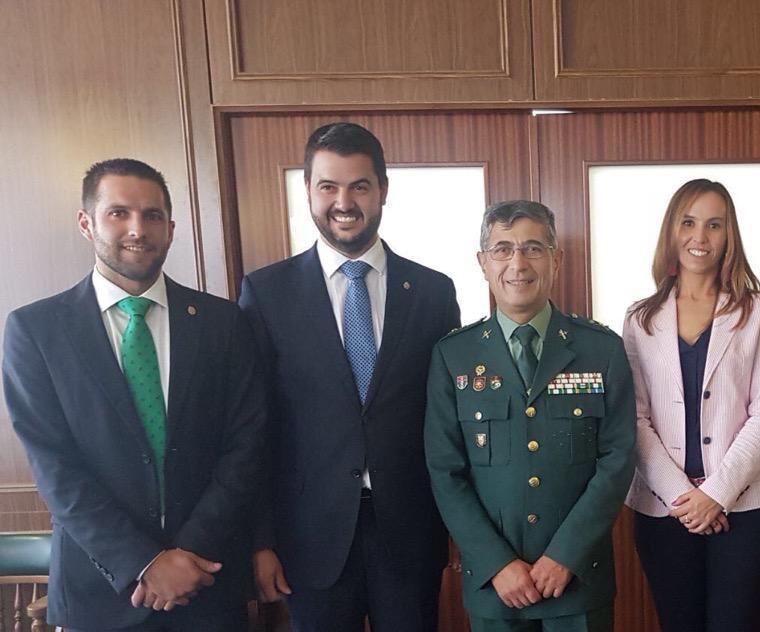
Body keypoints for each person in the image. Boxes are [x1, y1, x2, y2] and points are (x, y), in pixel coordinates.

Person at [2, 158, 265, 631]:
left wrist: (189, 554)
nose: (137, 229)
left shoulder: (223, 323)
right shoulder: (36, 330)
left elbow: (245, 446)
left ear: (171, 227)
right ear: (87, 223)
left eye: (153, 215)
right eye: (118, 213)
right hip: (100, 590)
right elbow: (54, 466)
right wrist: (145, 563)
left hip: (205, 580)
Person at [238, 122, 460, 631]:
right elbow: (253, 427)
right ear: (309, 192)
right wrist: (260, 540)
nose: (344, 201)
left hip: (409, 531)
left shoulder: (432, 292)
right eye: (328, 186)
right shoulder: (266, 294)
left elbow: (449, 419)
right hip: (307, 537)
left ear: (382, 190)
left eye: (359, 185)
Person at [424, 200, 635, 631]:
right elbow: (445, 470)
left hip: (577, 577)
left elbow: (618, 459)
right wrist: (496, 562)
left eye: (533, 248)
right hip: (495, 585)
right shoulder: (453, 355)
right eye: (502, 249)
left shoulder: (602, 349)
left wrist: (566, 554)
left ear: (556, 259)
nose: (517, 263)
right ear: (483, 263)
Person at [620, 179, 760, 631]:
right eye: (689, 222)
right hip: (664, 510)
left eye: (715, 224)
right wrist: (682, 496)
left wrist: (716, 494)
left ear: (729, 234)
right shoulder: (640, 317)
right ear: (672, 230)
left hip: (745, 508)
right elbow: (634, 418)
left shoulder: (758, 310)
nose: (701, 237)